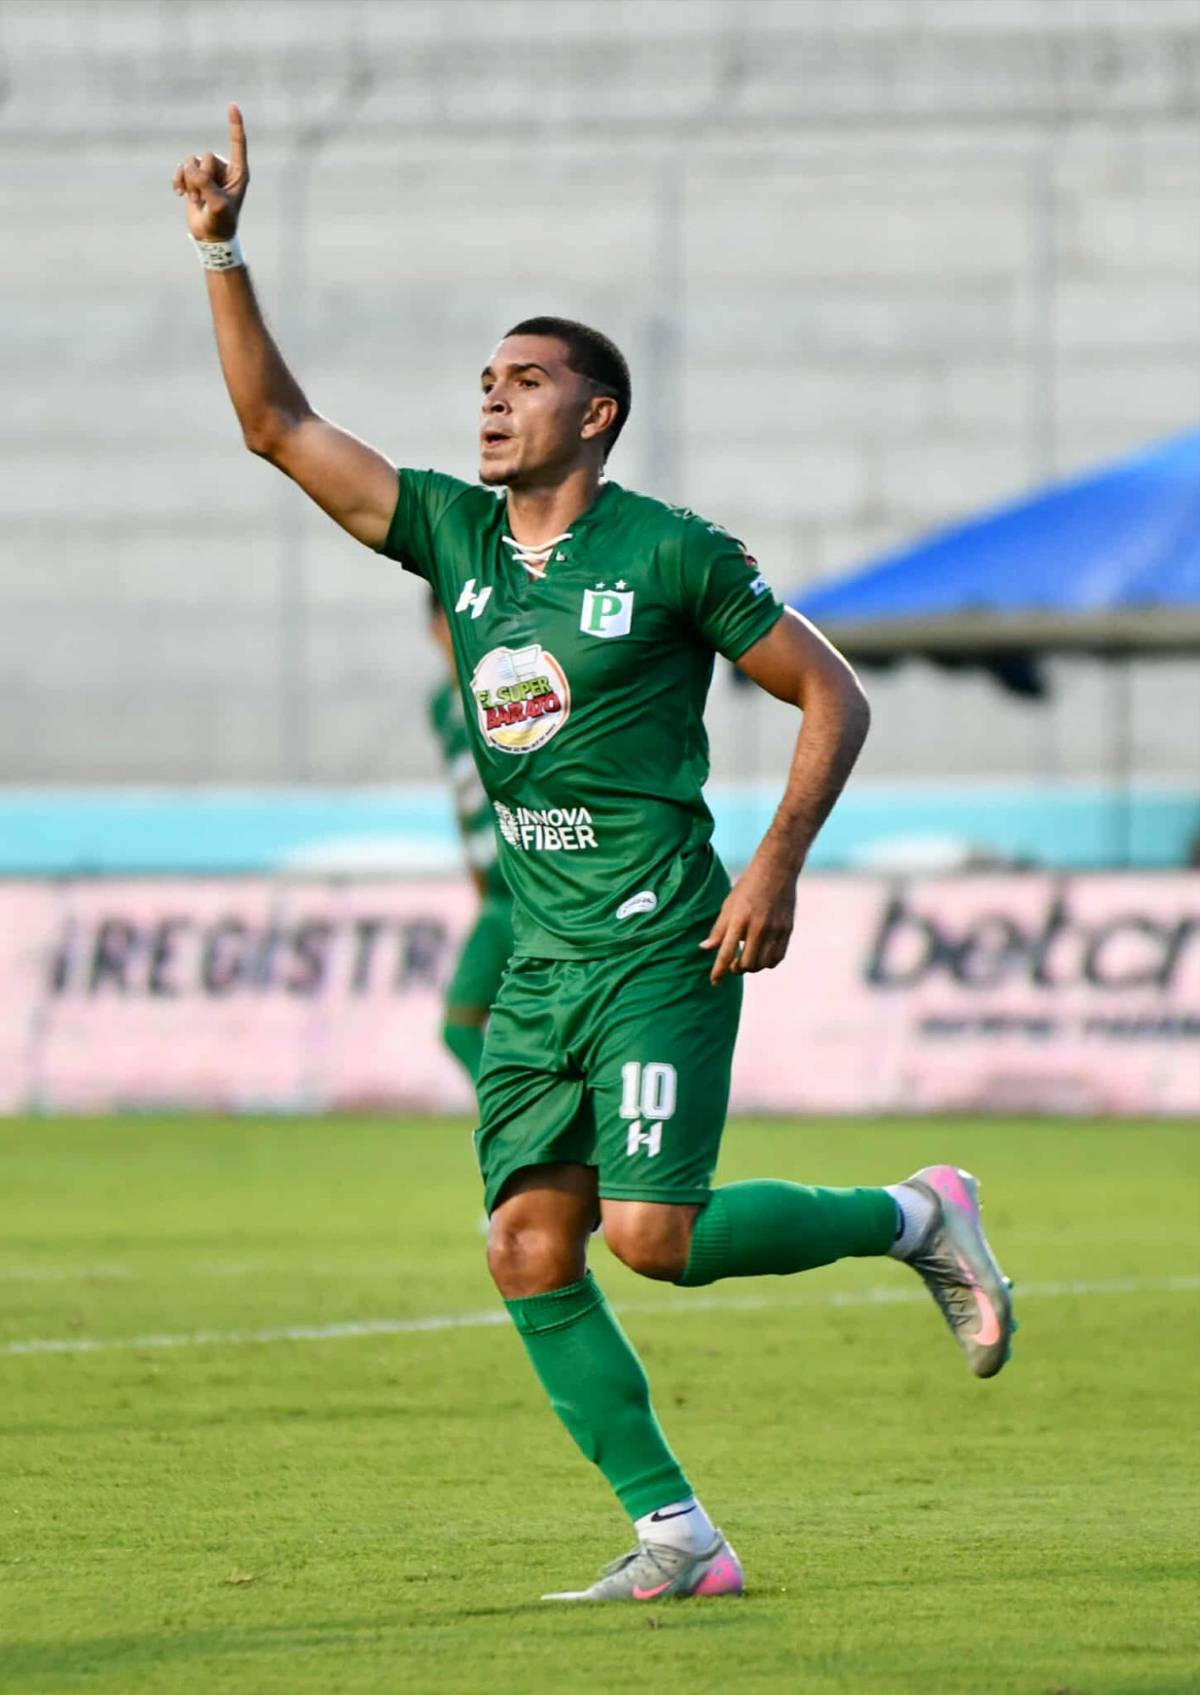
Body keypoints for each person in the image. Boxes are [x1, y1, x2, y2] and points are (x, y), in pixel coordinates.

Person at [173, 108, 1015, 1604]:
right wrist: (224, 251)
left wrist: (774, 867)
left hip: (659, 940)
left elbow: (834, 688)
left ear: (599, 413)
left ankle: (917, 1213)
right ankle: (679, 1538)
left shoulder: (674, 551)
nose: (492, 403)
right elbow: (277, 430)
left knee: (653, 1236)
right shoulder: (454, 534)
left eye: (527, 381)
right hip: (542, 954)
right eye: (485, 381)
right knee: (525, 1243)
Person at [427, 593, 515, 1085]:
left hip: (535, 889)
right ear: (433, 629)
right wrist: (474, 875)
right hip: (494, 898)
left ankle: (553, 1141)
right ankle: (519, 1131)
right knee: (458, 1027)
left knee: (557, 1030)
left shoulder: (514, 688)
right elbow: (463, 802)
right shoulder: (441, 707)